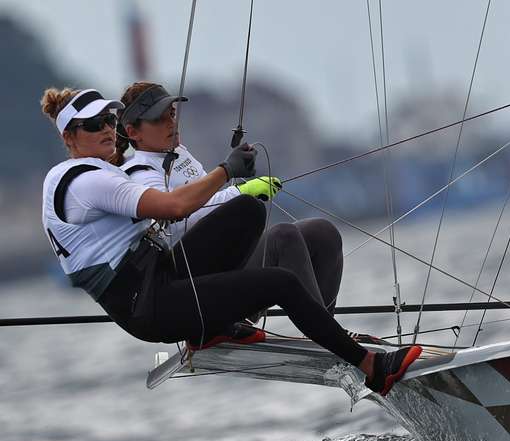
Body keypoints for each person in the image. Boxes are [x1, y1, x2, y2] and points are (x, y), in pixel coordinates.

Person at [40, 86, 421, 396]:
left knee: (250, 211)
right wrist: (227, 172)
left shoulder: (84, 175)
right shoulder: (87, 179)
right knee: (281, 281)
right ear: (70, 137)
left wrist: (235, 188)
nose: (107, 129)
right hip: (149, 303)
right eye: (94, 125)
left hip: (158, 278)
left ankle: (227, 327)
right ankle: (372, 369)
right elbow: (173, 209)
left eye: (109, 119)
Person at [111, 81, 344, 318]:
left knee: (322, 232)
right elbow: (178, 221)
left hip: (231, 259)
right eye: (159, 119)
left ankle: (325, 332)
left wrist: (238, 182)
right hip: (198, 284)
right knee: (283, 237)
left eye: (171, 114)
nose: (172, 123)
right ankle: (329, 339)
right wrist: (242, 191)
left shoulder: (179, 154)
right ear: (133, 132)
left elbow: (210, 201)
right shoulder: (139, 175)